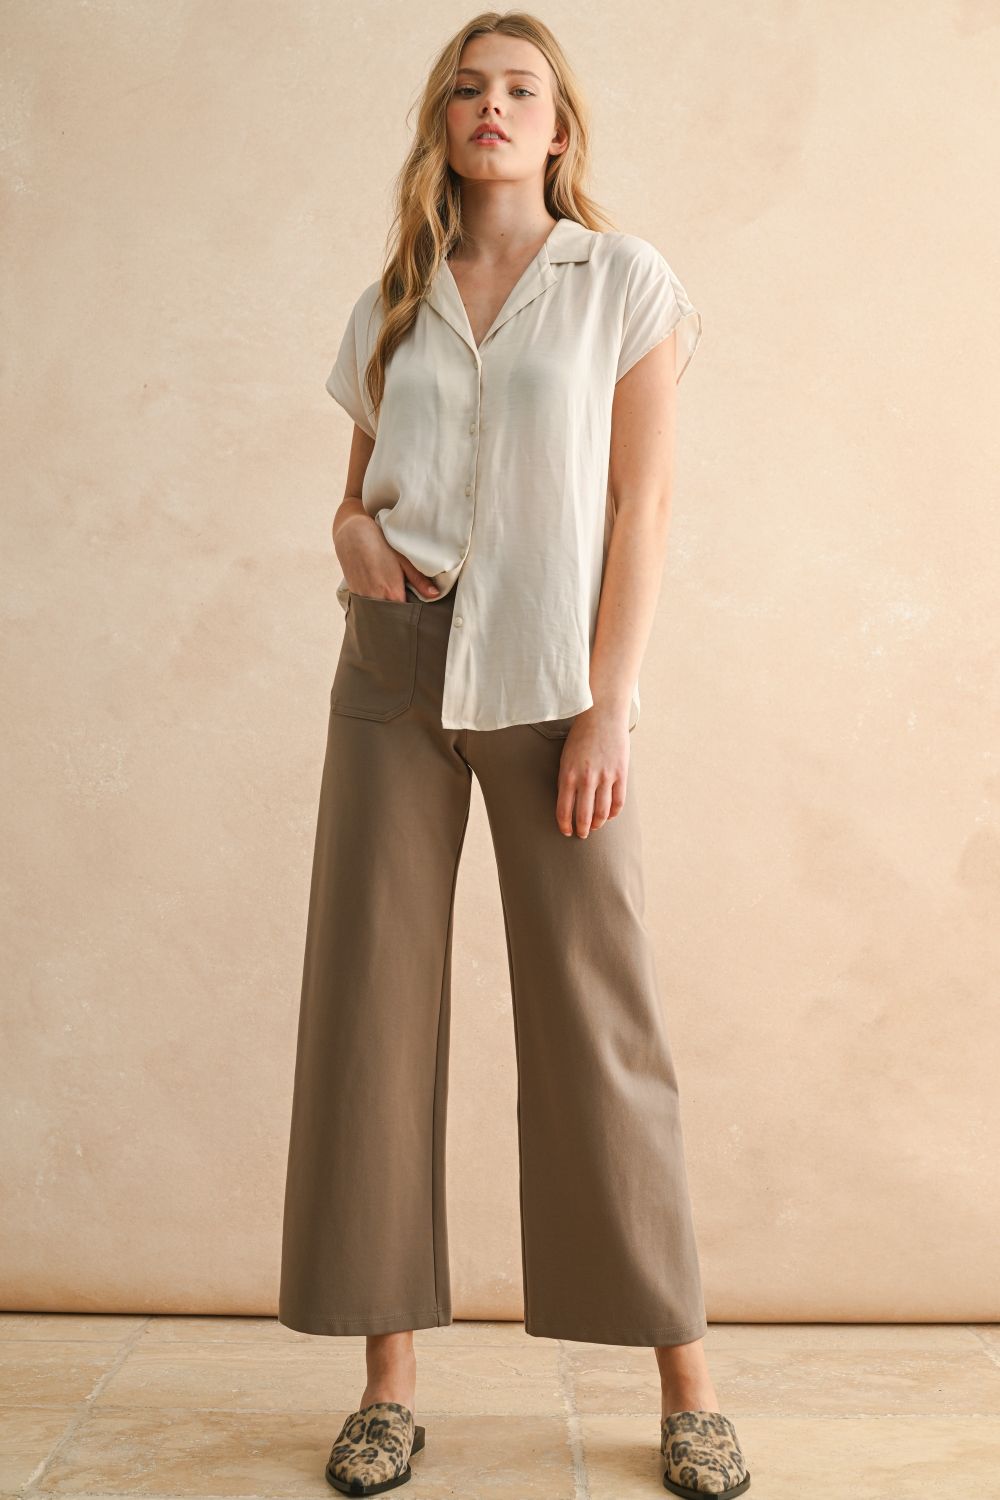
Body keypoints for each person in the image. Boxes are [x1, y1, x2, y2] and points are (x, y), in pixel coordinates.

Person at [278, 12, 751, 1498]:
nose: (495, 108)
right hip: (395, 677)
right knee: (373, 1015)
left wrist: (611, 706)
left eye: (522, 90)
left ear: (560, 129)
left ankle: (688, 1383)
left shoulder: (625, 284)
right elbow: (352, 503)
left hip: (556, 681)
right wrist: (354, 540)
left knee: (601, 1021)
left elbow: (645, 511)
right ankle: (387, 1386)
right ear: (446, 122)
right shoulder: (393, 300)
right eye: (471, 89)